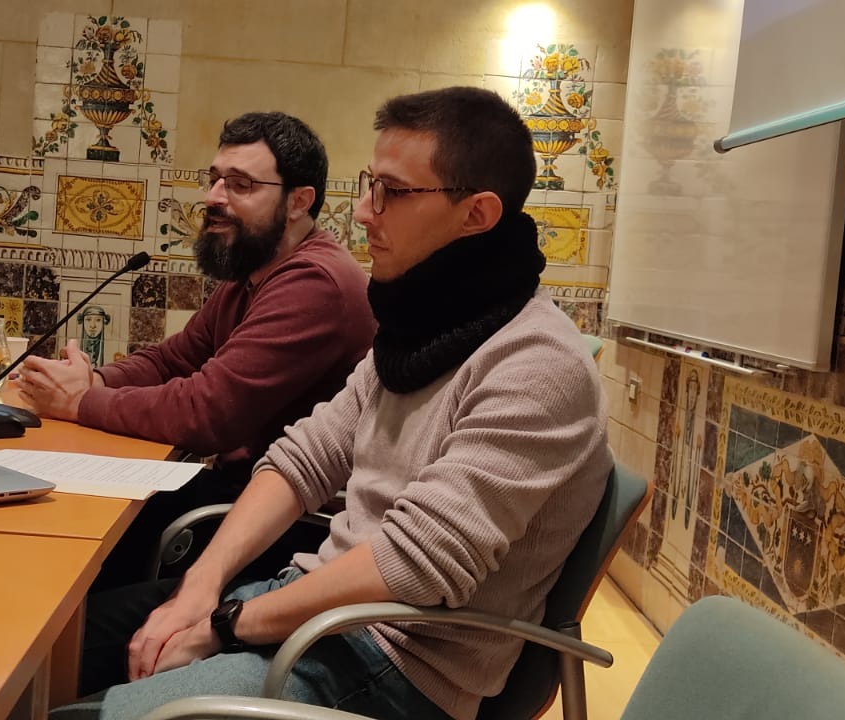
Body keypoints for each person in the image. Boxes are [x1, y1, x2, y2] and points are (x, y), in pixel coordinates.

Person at [52, 86, 613, 720]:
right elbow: (304, 458)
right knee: (53, 650)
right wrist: (200, 589)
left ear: (476, 214)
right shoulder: (423, 330)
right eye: (371, 185)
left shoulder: (538, 365)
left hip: (394, 664)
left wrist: (226, 623)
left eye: (391, 192)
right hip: (313, 608)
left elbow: (414, 563)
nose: (364, 213)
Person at [17, 112, 375, 590]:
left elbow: (208, 412)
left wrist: (80, 402)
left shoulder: (315, 283)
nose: (214, 197)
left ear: (298, 202)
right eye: (215, 179)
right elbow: (174, 360)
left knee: (79, 588)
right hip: (234, 499)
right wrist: (95, 380)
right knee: (60, 534)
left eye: (240, 184)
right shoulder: (255, 271)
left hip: (280, 531)